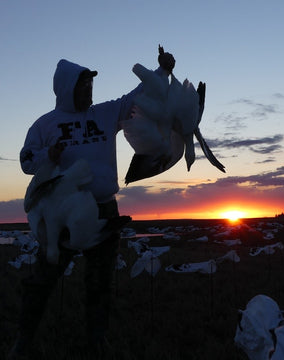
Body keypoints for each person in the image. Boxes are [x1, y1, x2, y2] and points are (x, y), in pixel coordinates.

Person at [9, 47, 175, 359]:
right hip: (61, 214)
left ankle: (96, 342)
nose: (88, 90)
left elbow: (136, 97)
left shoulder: (105, 113)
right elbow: (26, 160)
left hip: (103, 211)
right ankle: (23, 340)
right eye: (82, 85)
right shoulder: (44, 125)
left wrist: (162, 72)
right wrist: (49, 156)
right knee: (43, 280)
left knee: (99, 283)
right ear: (66, 89)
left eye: (90, 84)